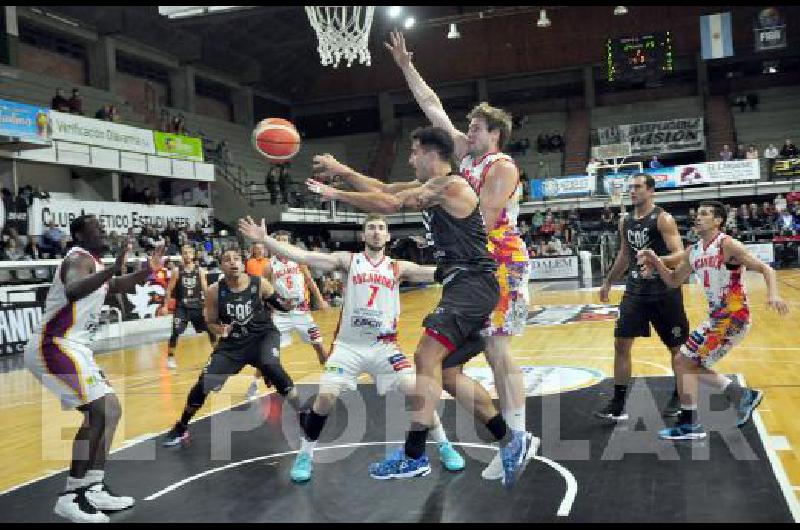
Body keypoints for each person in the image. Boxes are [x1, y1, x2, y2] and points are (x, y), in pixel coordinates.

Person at [308, 126, 535, 488]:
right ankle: (511, 441)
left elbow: (391, 204)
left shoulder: (451, 186)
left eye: (414, 152)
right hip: (462, 287)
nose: (410, 159)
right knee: (446, 373)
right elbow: (385, 190)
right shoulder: (433, 188)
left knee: (425, 356)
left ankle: (413, 455)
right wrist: (344, 171)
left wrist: (334, 192)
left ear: (432, 155)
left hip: (472, 285)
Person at [385, 30, 536, 482]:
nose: (463, 132)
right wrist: (407, 66)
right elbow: (432, 106)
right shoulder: (465, 160)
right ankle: (509, 440)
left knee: (497, 347)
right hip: (471, 265)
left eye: (472, 128)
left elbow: (485, 218)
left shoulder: (501, 167)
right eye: (465, 127)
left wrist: (435, 202)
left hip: (500, 260)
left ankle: (518, 438)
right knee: (453, 362)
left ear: (493, 134)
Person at [239, 213, 465, 483]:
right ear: (363, 234)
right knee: (325, 398)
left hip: (385, 347)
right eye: (371, 228)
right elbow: (305, 258)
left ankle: (444, 445)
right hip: (349, 347)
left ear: (388, 236)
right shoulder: (349, 261)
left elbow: (439, 273)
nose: (377, 232)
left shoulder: (398, 267)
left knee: (419, 393)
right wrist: (266, 241)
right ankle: (305, 455)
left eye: (381, 228)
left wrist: (466, 263)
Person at [24, 215, 164, 523]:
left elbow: (115, 286)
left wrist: (146, 272)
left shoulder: (95, 265)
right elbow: (74, 290)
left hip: (77, 348)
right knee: (98, 411)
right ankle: (71, 495)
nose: (102, 231)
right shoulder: (77, 258)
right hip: (54, 344)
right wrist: (114, 267)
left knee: (110, 410)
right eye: (96, 228)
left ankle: (93, 486)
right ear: (78, 234)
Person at [637, 201, 789, 440]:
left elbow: (766, 269)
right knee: (683, 361)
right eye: (697, 213)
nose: (698, 217)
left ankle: (692, 421)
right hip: (717, 318)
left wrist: (773, 294)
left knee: (685, 362)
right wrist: (656, 262)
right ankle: (735, 398)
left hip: (733, 317)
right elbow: (674, 280)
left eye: (705, 214)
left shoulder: (727, 245)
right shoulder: (694, 250)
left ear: (718, 221)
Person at [162, 249, 301, 447]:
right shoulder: (214, 291)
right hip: (233, 344)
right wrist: (220, 328)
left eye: (237, 259)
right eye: (227, 260)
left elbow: (280, 304)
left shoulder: (258, 283)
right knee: (204, 384)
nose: (233, 262)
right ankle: (181, 426)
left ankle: (303, 415)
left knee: (273, 367)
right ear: (221, 266)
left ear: (243, 264)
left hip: (263, 337)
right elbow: (210, 321)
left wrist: (291, 303)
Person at [596, 174, 689, 421]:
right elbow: (625, 255)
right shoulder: (625, 221)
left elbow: (680, 255)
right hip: (636, 291)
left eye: (637, 187)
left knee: (677, 348)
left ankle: (680, 396)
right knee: (621, 343)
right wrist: (607, 281)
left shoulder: (663, 219)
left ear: (651, 191)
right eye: (631, 188)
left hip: (664, 292)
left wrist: (655, 260)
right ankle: (617, 402)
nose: (632, 191)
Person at [245, 232, 329, 399]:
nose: (282, 244)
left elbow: (310, 281)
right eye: (279, 242)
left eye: (285, 242)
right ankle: (254, 384)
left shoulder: (299, 260)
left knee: (319, 346)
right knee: (269, 352)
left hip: (301, 311)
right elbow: (264, 290)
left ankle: (333, 380)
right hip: (281, 314)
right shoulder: (269, 266)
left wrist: (320, 300)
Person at [162, 245, 213, 370]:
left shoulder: (200, 271)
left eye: (190, 252)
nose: (187, 255)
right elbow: (169, 290)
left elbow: (206, 290)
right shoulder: (177, 271)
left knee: (211, 330)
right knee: (175, 332)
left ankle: (216, 357)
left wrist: (209, 306)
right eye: (185, 252)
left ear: (193, 254)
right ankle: (170, 357)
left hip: (197, 307)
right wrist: (165, 306)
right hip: (182, 308)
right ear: (182, 255)